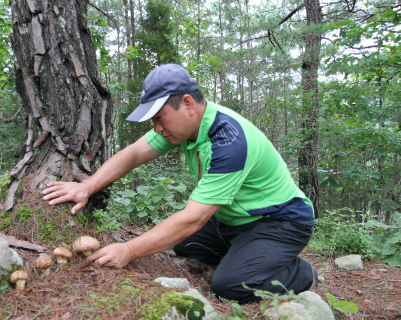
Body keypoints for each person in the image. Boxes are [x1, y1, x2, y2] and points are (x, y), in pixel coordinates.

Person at [42, 63, 317, 304]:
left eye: (159, 117)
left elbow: (194, 218)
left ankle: (302, 275)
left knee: (228, 286)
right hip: (235, 221)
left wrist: (128, 250)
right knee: (185, 245)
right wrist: (86, 187)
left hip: (280, 221)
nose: (156, 127)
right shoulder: (186, 127)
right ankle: (250, 256)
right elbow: (134, 153)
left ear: (187, 104)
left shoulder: (230, 142)